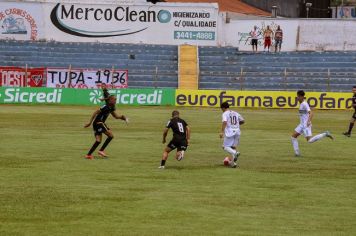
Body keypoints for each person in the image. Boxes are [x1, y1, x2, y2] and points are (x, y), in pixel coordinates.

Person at [84, 95, 128, 159]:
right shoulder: (105, 106)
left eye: (116, 99)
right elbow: (95, 112)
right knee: (111, 136)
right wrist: (89, 123)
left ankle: (88, 155)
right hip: (98, 123)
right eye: (114, 99)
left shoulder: (111, 107)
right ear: (110, 100)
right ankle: (101, 150)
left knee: (98, 141)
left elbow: (116, 116)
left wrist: (122, 117)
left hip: (100, 124)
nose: (115, 101)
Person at [291, 90, 333, 157]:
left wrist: (308, 121)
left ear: (302, 97)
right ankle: (297, 153)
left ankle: (325, 134)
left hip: (306, 125)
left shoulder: (304, 104)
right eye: (297, 96)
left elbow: (311, 113)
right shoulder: (301, 104)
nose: (297, 98)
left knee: (309, 141)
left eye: (298, 96)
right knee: (293, 137)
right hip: (301, 124)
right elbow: (305, 113)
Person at [220, 102, 244, 168]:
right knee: (233, 148)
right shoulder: (235, 113)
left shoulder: (225, 113)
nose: (222, 110)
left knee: (225, 147)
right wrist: (236, 125)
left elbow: (224, 122)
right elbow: (243, 121)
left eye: (221, 109)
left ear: (223, 108)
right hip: (237, 132)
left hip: (230, 132)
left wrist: (222, 132)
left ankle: (235, 153)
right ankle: (234, 163)